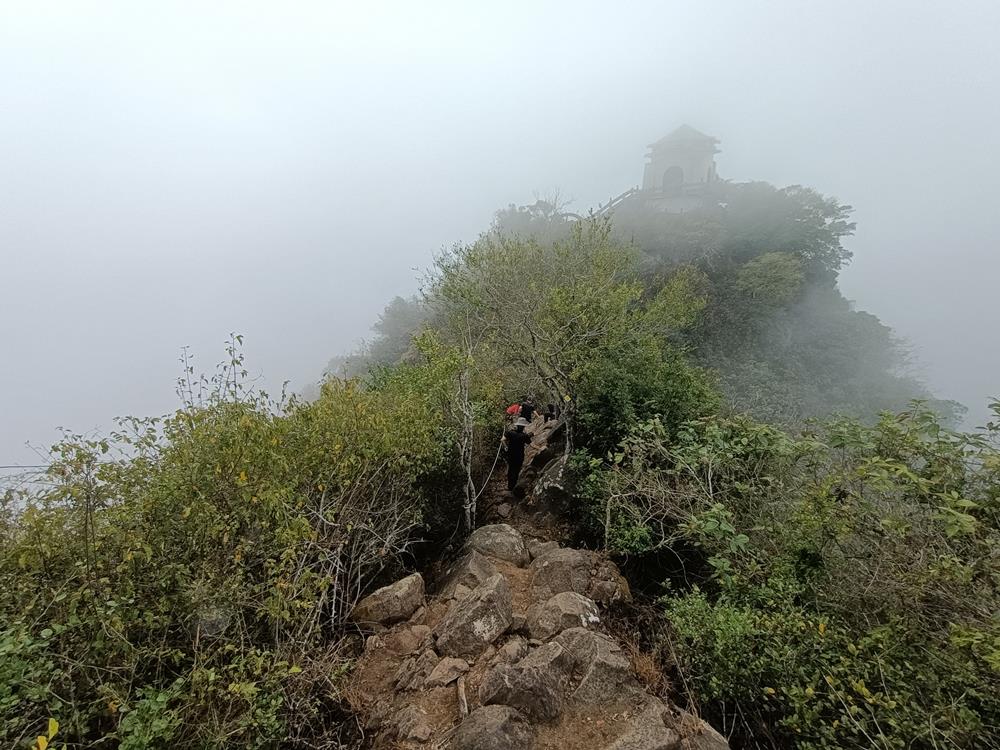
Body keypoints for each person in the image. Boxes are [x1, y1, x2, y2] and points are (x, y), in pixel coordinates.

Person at [504, 417, 533, 493]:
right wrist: (539, 447)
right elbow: (531, 444)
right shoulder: (524, 436)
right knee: (516, 470)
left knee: (510, 469)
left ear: (517, 425)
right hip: (519, 455)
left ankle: (509, 486)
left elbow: (502, 440)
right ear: (523, 427)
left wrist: (506, 447)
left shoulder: (510, 432)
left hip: (510, 454)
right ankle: (514, 486)